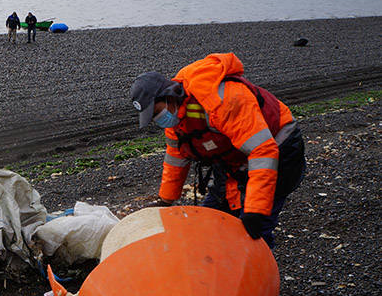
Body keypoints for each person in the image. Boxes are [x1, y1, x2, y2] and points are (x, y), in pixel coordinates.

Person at [129, 52, 305, 248]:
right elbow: (175, 158)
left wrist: (255, 209)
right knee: (209, 223)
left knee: (255, 230)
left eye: (156, 112)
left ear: (169, 95)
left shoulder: (222, 100)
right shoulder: (176, 118)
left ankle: (257, 271)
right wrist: (165, 201)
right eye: (152, 117)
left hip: (279, 148)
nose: (158, 119)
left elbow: (263, 152)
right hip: (233, 159)